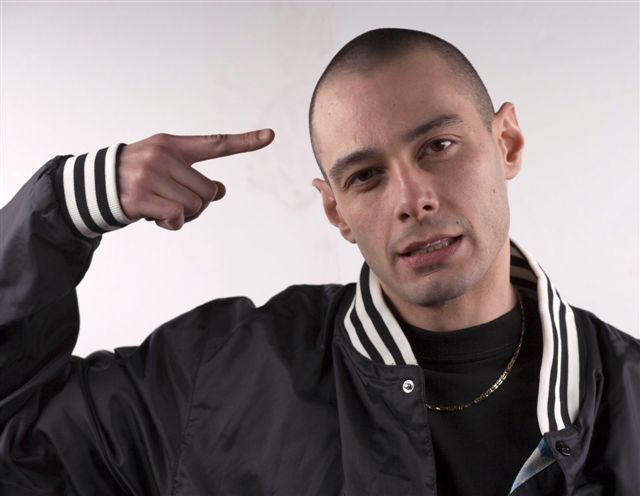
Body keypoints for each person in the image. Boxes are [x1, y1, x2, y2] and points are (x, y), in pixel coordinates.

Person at [0, 27, 638, 496]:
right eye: (365, 176)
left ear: (508, 143)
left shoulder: (627, 399)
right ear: (337, 211)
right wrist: (65, 207)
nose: (413, 199)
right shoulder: (223, 379)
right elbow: (17, 448)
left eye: (439, 145)